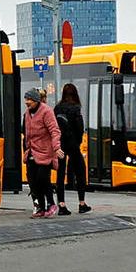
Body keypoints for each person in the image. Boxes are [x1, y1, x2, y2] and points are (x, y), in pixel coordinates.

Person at [23, 88, 61, 218]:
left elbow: (54, 131)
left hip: (45, 152)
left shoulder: (46, 112)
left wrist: (56, 147)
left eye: (30, 100)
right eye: (26, 100)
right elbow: (27, 133)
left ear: (37, 101)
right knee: (33, 181)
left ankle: (51, 204)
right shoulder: (27, 114)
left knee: (42, 178)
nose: (27, 102)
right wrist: (26, 150)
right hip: (31, 152)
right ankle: (40, 207)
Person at [53, 82, 89, 215]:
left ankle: (61, 204)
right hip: (73, 145)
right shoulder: (75, 108)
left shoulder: (57, 108)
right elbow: (80, 128)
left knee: (60, 174)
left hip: (60, 145)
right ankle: (81, 203)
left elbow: (53, 127)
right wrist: (77, 142)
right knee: (80, 171)